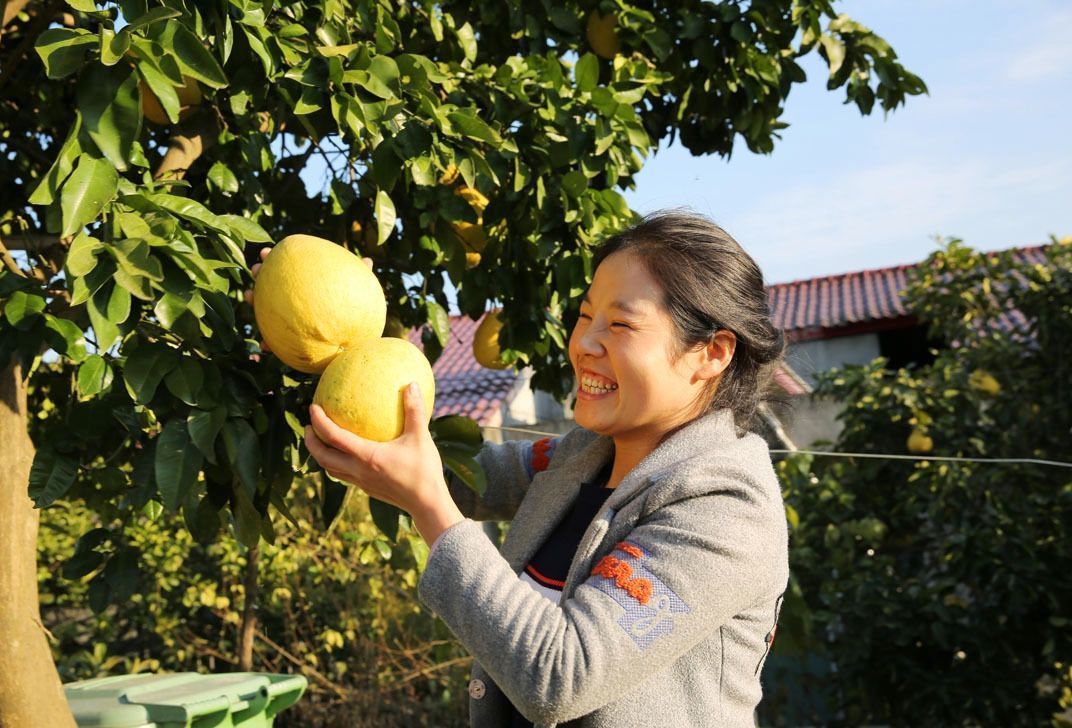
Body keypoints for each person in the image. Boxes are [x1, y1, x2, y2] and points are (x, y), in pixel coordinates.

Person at [264, 209, 790, 727]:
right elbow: (463, 476)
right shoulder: (584, 454)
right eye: (585, 316)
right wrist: (313, 336)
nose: (583, 344)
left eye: (621, 324)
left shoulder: (726, 511)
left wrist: (429, 505)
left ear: (712, 353)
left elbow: (560, 677)